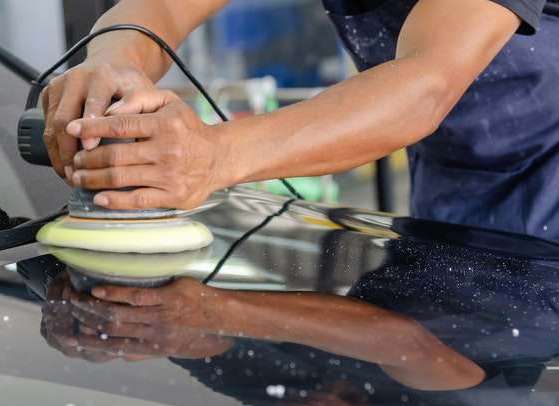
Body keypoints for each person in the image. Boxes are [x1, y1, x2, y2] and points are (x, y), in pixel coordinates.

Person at [42, 0, 559, 239]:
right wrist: (110, 64)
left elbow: (425, 84)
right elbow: (160, 10)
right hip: (453, 180)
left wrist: (212, 155)